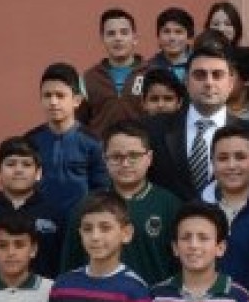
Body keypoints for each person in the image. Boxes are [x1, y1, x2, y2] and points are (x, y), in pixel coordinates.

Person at [147, 44, 249, 202]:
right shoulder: (153, 130)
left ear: (230, 83)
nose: (209, 82)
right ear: (186, 81)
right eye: (200, 75)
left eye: (217, 75)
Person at [63, 120, 180, 284]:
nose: (125, 164)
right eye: (116, 157)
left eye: (134, 156)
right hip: (96, 296)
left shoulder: (169, 205)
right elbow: (70, 264)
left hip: (153, 296)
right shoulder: (87, 206)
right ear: (105, 159)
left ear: (149, 158)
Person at [27, 62, 110, 231]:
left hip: (79, 227)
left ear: (77, 100)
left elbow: (101, 190)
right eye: (47, 96)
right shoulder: (30, 142)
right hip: (39, 226)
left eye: (60, 95)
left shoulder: (93, 143)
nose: (53, 102)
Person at [202, 124, 249, 292]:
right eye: (223, 158)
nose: (231, 165)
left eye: (240, 157)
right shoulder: (197, 208)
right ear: (212, 162)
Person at [0, 137, 65, 279]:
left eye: (26, 164)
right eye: (11, 164)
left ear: (38, 173)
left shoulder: (56, 213)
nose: (18, 170)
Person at [81, 8, 150, 136]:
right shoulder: (89, 78)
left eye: (124, 33)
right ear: (102, 39)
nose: (118, 38)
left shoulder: (151, 74)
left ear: (135, 38)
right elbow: (80, 122)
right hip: (100, 147)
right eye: (111, 34)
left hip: (140, 146)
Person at [149, 7, 195, 82]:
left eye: (178, 32)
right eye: (166, 32)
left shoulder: (199, 66)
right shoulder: (147, 69)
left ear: (189, 37)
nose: (172, 38)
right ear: (158, 37)